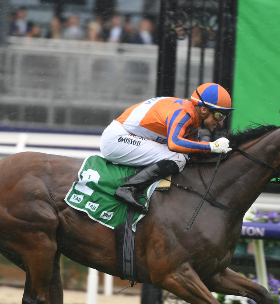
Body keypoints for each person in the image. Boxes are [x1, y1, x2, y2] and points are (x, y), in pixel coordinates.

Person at [100, 82, 233, 213]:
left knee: (183, 157)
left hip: (128, 137)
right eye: (219, 115)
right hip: (117, 139)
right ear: (203, 109)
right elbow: (174, 143)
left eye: (224, 116)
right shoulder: (184, 113)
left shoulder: (193, 121)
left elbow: (194, 156)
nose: (221, 122)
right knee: (177, 157)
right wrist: (212, 146)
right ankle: (128, 188)